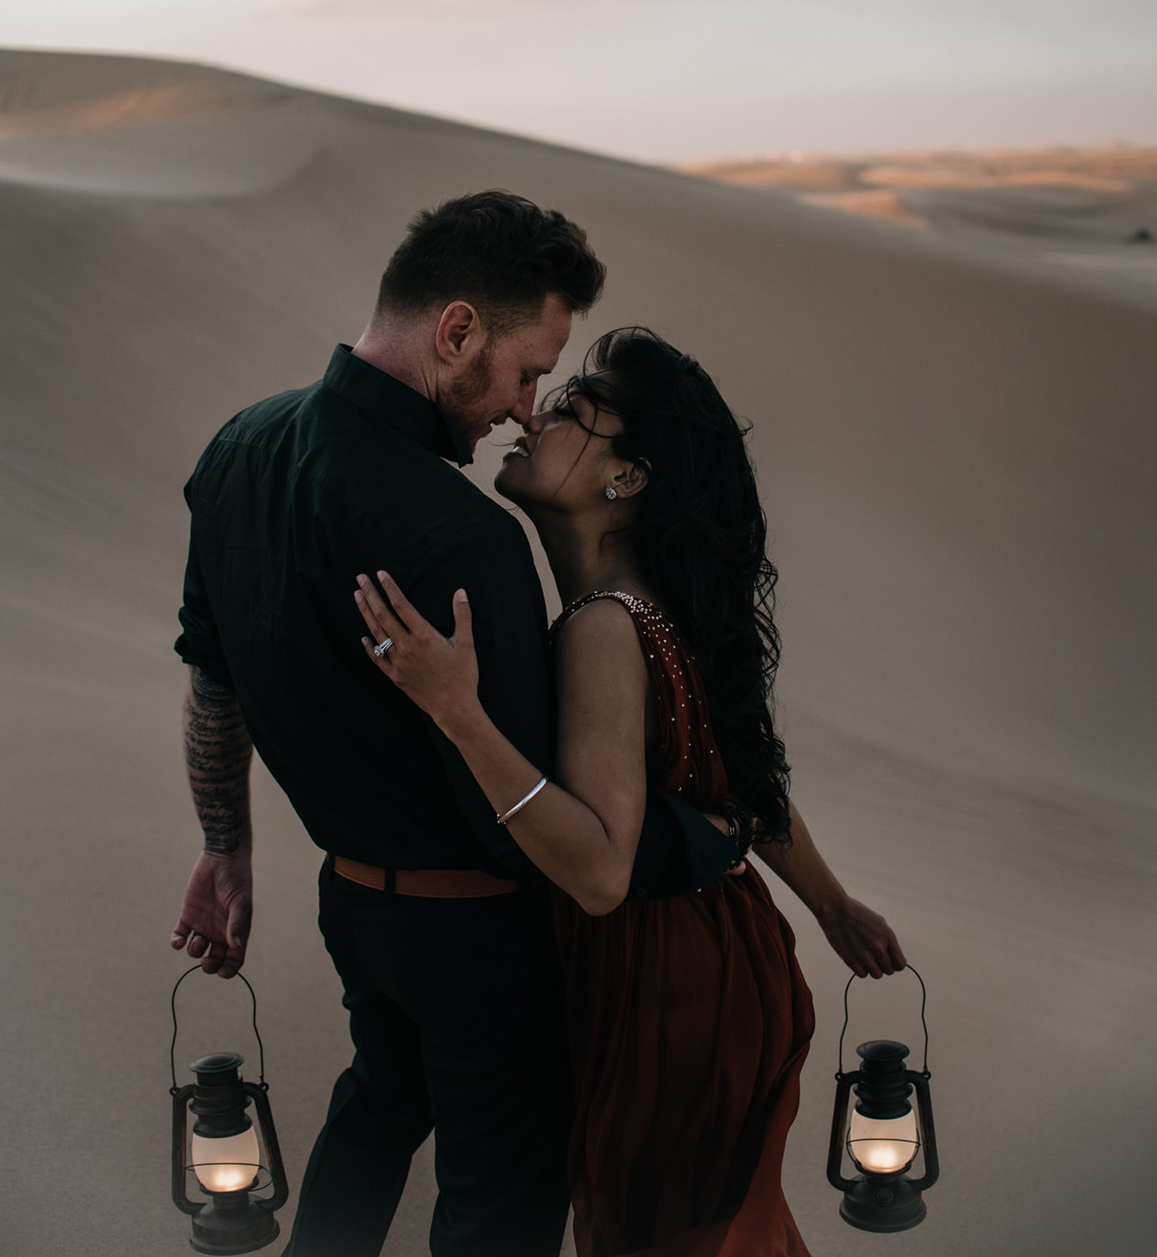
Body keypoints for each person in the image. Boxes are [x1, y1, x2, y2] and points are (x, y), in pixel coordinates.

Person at [169, 195, 742, 1257]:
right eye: (527, 370)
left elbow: (214, 683)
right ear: (457, 331)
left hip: (353, 908)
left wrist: (224, 845)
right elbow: (517, 812)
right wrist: (697, 837)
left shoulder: (237, 450)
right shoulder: (460, 536)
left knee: (382, 1104)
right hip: (479, 937)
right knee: (498, 1204)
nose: (525, 408)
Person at [355, 325, 906, 1257]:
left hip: (661, 990)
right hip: (730, 963)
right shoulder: (657, 608)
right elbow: (749, 786)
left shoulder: (602, 627)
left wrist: (458, 713)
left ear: (628, 479)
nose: (531, 416)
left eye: (571, 413)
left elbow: (601, 872)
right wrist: (831, 906)